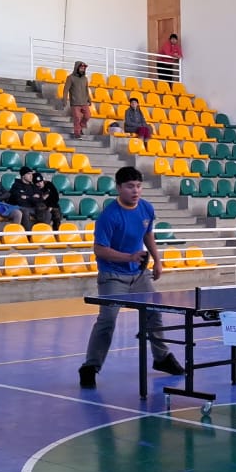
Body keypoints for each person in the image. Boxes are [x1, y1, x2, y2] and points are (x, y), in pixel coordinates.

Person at [79, 166, 184, 388]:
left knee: (154, 314)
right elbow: (99, 250)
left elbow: (148, 234)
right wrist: (130, 256)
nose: (135, 191)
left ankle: (162, 358)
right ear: (118, 188)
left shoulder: (146, 208)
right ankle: (90, 366)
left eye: (138, 186)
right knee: (107, 320)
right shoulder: (109, 216)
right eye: (129, 186)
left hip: (139, 275)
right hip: (112, 276)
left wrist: (158, 260)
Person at [61, 60, 91, 140]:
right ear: (77, 68)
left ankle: (80, 128)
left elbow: (86, 89)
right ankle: (77, 133)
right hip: (75, 103)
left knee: (88, 116)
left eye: (84, 68)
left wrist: (89, 99)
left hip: (84, 102)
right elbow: (66, 90)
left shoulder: (85, 78)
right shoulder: (70, 78)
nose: (83, 69)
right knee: (77, 118)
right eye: (81, 68)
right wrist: (64, 100)